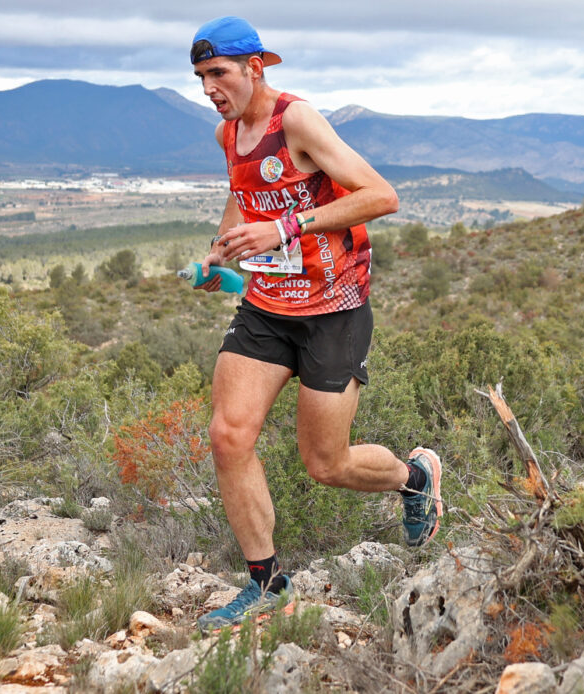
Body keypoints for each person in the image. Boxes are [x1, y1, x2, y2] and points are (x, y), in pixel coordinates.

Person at [188, 16, 443, 632]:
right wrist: (221, 249)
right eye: (200, 78)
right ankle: (267, 583)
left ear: (255, 67)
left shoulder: (296, 121)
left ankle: (415, 477)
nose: (209, 89)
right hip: (267, 307)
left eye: (218, 73)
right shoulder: (229, 133)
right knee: (228, 435)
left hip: (334, 309)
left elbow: (381, 196)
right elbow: (243, 194)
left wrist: (284, 228)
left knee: (325, 463)